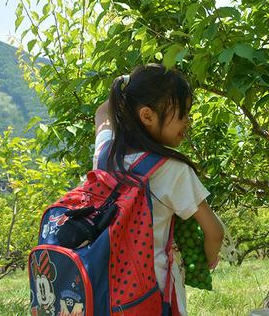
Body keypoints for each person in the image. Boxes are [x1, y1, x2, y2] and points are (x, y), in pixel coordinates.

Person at [94, 64, 224, 315]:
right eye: (182, 113)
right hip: (153, 293)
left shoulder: (106, 155)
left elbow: (102, 112)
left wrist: (129, 84)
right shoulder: (171, 169)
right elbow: (215, 232)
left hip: (108, 293)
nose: (188, 121)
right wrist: (207, 258)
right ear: (147, 115)